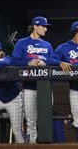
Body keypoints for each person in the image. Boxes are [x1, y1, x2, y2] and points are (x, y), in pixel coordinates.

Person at [11, 16, 58, 144]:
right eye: (43, 26)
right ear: (35, 27)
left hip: (45, 87)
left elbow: (54, 60)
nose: (45, 29)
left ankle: (46, 143)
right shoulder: (22, 42)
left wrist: (45, 62)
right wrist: (29, 62)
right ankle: (32, 143)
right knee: (31, 120)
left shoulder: (47, 44)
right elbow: (14, 61)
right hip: (29, 87)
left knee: (45, 117)